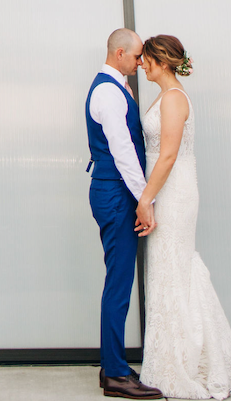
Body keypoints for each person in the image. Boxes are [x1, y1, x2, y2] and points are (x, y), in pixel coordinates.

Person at [137, 35, 231, 400]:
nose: (141, 64)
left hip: (174, 192)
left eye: (146, 59)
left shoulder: (174, 99)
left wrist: (147, 198)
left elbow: (169, 155)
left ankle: (186, 363)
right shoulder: (164, 95)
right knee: (168, 269)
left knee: (175, 267)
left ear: (160, 60)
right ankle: (172, 356)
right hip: (164, 188)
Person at [86, 29, 164, 400]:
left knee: (118, 283)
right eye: (135, 58)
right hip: (116, 192)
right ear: (120, 53)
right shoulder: (107, 91)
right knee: (118, 285)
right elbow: (123, 152)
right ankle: (116, 374)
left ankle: (112, 366)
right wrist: (143, 200)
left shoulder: (116, 88)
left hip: (114, 190)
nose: (139, 64)